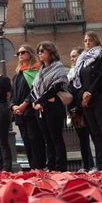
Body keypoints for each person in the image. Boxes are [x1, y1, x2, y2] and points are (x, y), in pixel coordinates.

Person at [71, 33, 102, 171]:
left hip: (100, 96)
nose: (87, 42)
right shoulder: (82, 59)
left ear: (96, 40)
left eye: (90, 40)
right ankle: (100, 163)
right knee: (95, 132)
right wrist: (83, 94)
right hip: (86, 100)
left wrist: (90, 92)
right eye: (85, 40)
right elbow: (78, 80)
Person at [32, 42, 69, 172]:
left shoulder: (58, 67)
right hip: (41, 108)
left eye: (42, 51)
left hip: (54, 107)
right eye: (39, 51)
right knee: (47, 139)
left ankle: (60, 167)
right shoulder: (41, 70)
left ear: (50, 52)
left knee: (56, 138)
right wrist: (35, 102)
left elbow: (57, 87)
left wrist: (40, 100)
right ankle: (51, 166)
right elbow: (34, 88)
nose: (40, 54)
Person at [11, 44, 44, 171]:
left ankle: (39, 167)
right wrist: (13, 106)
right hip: (19, 113)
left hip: (31, 111)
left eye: (23, 52)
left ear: (30, 54)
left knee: (34, 138)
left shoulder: (36, 71)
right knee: (26, 140)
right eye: (18, 53)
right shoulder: (17, 75)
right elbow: (12, 94)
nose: (20, 55)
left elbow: (35, 91)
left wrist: (25, 104)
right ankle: (32, 167)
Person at [68, 48, 94, 170]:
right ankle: (87, 165)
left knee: (94, 136)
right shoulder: (71, 73)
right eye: (71, 57)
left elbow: (82, 90)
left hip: (85, 107)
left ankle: (97, 164)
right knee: (83, 140)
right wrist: (70, 110)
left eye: (74, 56)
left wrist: (78, 107)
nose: (72, 59)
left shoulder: (83, 70)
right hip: (75, 111)